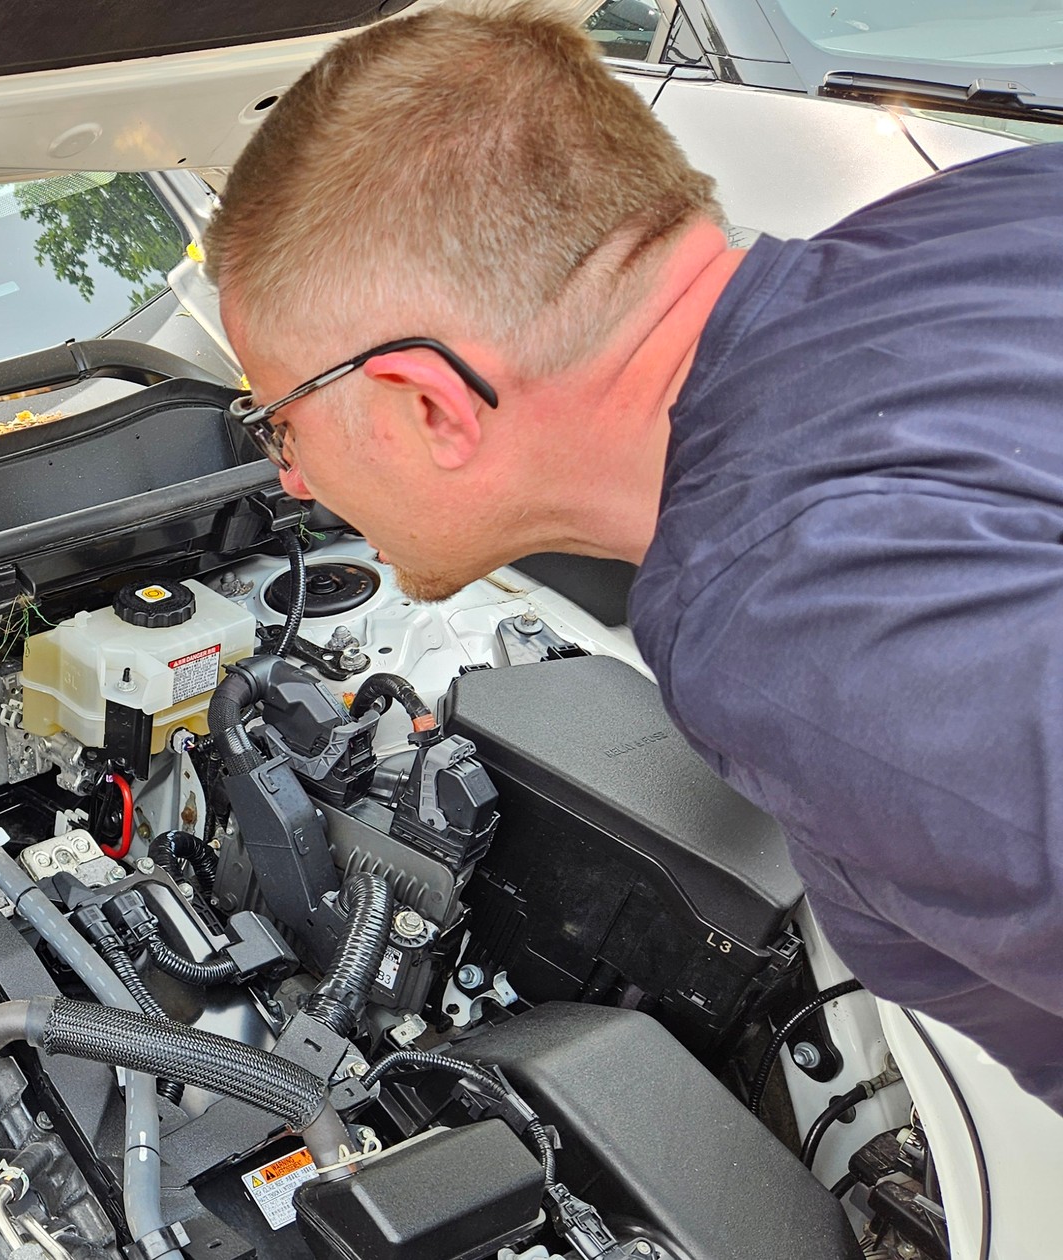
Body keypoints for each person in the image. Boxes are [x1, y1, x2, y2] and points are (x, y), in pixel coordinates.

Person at [203, 0, 1063, 1111]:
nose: (292, 481)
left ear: (431, 406)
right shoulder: (993, 206)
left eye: (280, 421)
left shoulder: (787, 623)